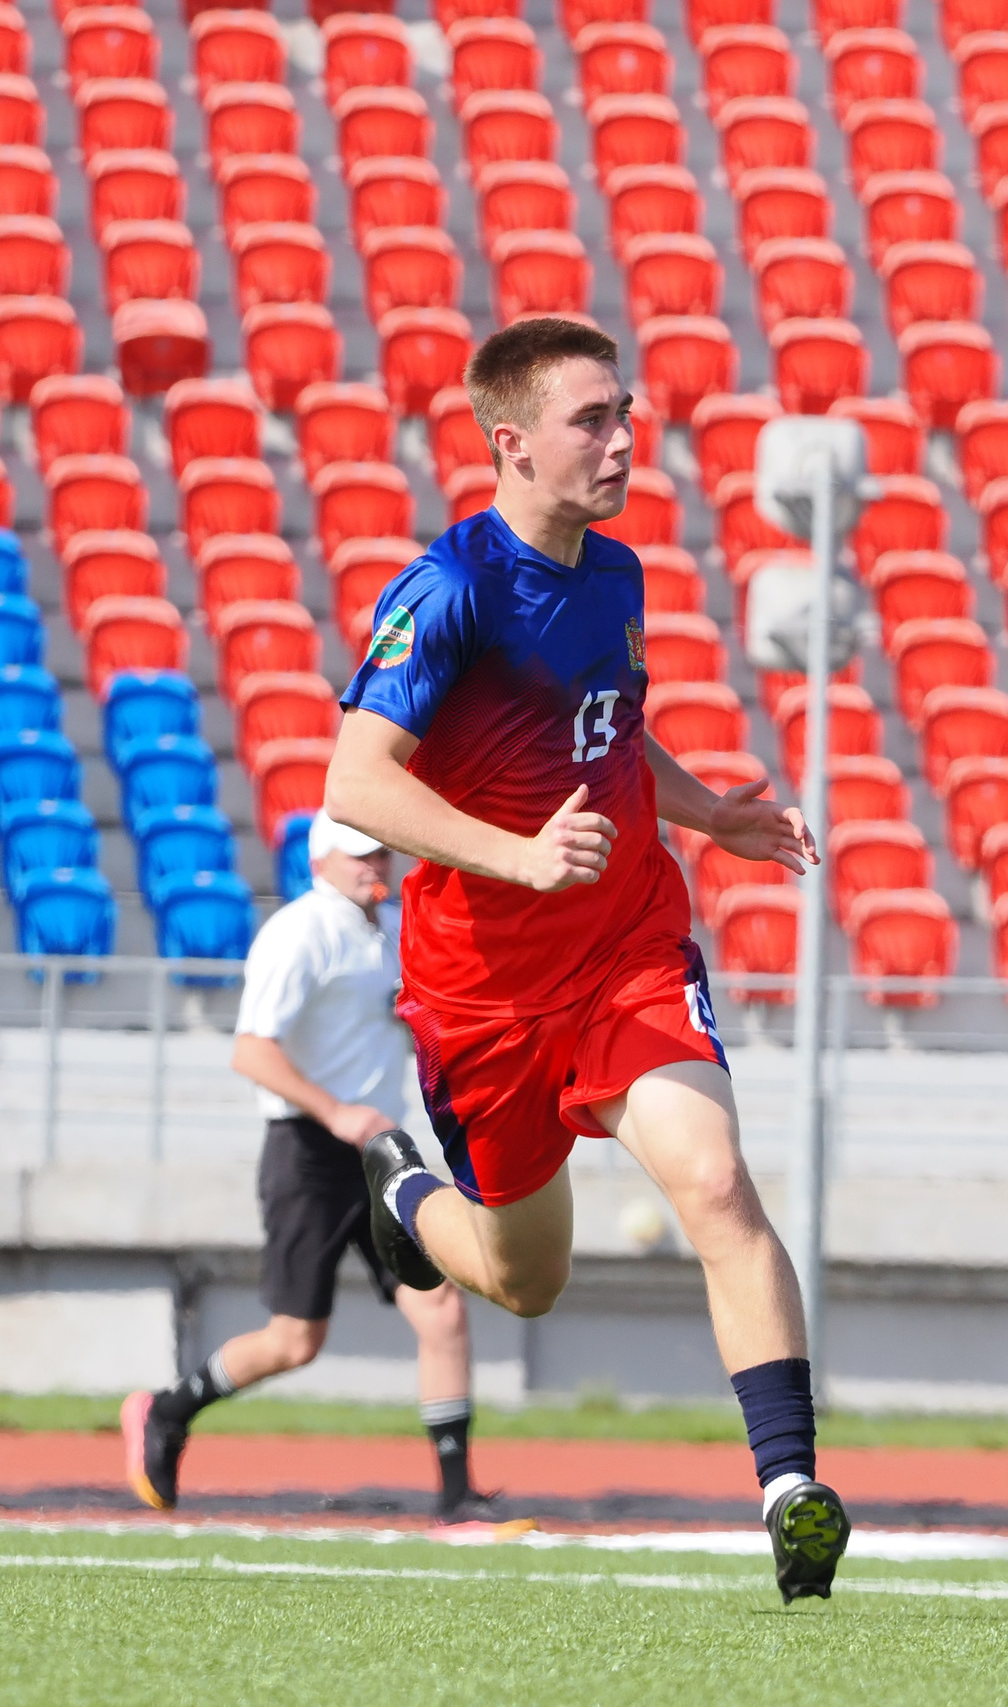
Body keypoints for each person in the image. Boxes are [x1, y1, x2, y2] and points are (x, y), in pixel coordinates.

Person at [322, 317, 851, 1602]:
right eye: (591, 421)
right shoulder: (446, 593)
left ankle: (791, 1496)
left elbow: (609, 739)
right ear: (509, 444)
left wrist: (705, 813)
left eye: (625, 417)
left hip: (624, 948)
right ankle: (402, 1198)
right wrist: (512, 856)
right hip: (481, 992)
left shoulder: (616, 578)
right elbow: (353, 783)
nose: (623, 442)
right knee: (524, 1281)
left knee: (716, 1184)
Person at [121, 812, 509, 1527]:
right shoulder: (299, 931)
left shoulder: (382, 928)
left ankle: (457, 1496)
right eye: (361, 853)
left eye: (381, 851)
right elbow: (252, 1051)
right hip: (308, 1149)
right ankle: (167, 1409)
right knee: (295, 1339)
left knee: (441, 1306)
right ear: (321, 859)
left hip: (377, 1150)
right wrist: (336, 1112)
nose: (376, 864)